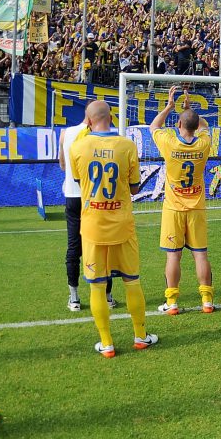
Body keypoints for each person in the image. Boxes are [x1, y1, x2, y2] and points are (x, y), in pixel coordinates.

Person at [70, 100, 158, 357]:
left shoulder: (79, 146)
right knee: (132, 281)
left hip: (93, 226)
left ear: (88, 121)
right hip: (122, 225)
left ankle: (107, 343)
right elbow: (134, 188)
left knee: (97, 285)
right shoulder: (127, 145)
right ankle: (140, 336)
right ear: (111, 117)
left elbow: (78, 180)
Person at [148, 86, 215, 315]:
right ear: (196, 127)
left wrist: (169, 106)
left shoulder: (170, 143)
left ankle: (172, 302)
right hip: (196, 207)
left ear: (178, 126)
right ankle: (207, 300)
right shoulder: (203, 143)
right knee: (200, 254)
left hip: (174, 208)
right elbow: (206, 127)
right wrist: (191, 110)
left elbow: (154, 126)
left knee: (173, 255)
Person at [58, 111, 116, 312]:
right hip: (95, 196)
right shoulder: (103, 136)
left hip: (73, 195)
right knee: (103, 245)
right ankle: (107, 296)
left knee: (74, 247)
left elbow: (63, 165)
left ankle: (74, 297)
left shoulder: (66, 133)